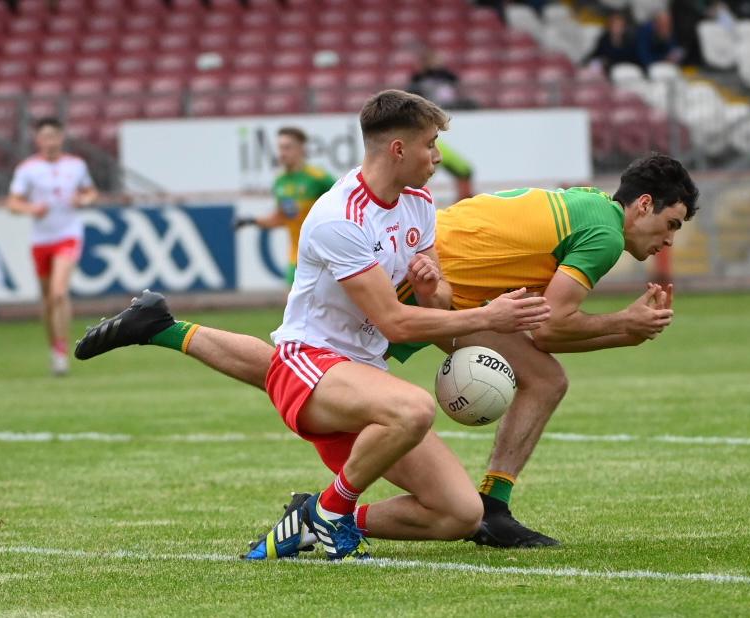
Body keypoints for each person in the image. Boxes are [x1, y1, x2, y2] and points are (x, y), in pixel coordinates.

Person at [73, 90, 550, 561]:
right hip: (313, 362)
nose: (438, 157)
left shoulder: (420, 203)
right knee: (413, 408)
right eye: (430, 145)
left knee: (459, 515)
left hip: (363, 375)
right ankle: (332, 511)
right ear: (398, 149)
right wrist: (489, 316)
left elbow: (438, 304)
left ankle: (312, 517)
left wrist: (432, 288)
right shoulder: (339, 217)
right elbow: (395, 323)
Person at [388, 153, 699, 547]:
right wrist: (623, 324)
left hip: (428, 274)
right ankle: (330, 512)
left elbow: (542, 326)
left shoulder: (589, 204)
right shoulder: (606, 235)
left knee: (545, 378)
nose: (669, 240)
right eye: (670, 224)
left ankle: (493, 509)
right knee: (350, 399)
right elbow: (551, 331)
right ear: (643, 205)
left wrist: (629, 333)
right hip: (419, 283)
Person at [7, 117, 98, 376]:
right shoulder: (27, 169)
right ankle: (54, 348)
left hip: (68, 234)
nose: (49, 142)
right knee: (48, 301)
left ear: (61, 137)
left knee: (59, 293)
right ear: (38, 140)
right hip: (41, 240)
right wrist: (31, 208)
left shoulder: (76, 165)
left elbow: (91, 192)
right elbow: (13, 203)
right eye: (44, 137)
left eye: (53, 136)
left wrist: (83, 200)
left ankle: (62, 351)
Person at [234, 126, 336, 286]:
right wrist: (251, 221)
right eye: (280, 148)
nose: (282, 153)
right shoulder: (280, 182)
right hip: (296, 256)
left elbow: (344, 205)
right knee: (293, 308)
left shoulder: (319, 178)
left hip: (324, 254)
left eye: (287, 147)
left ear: (301, 149)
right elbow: (282, 218)